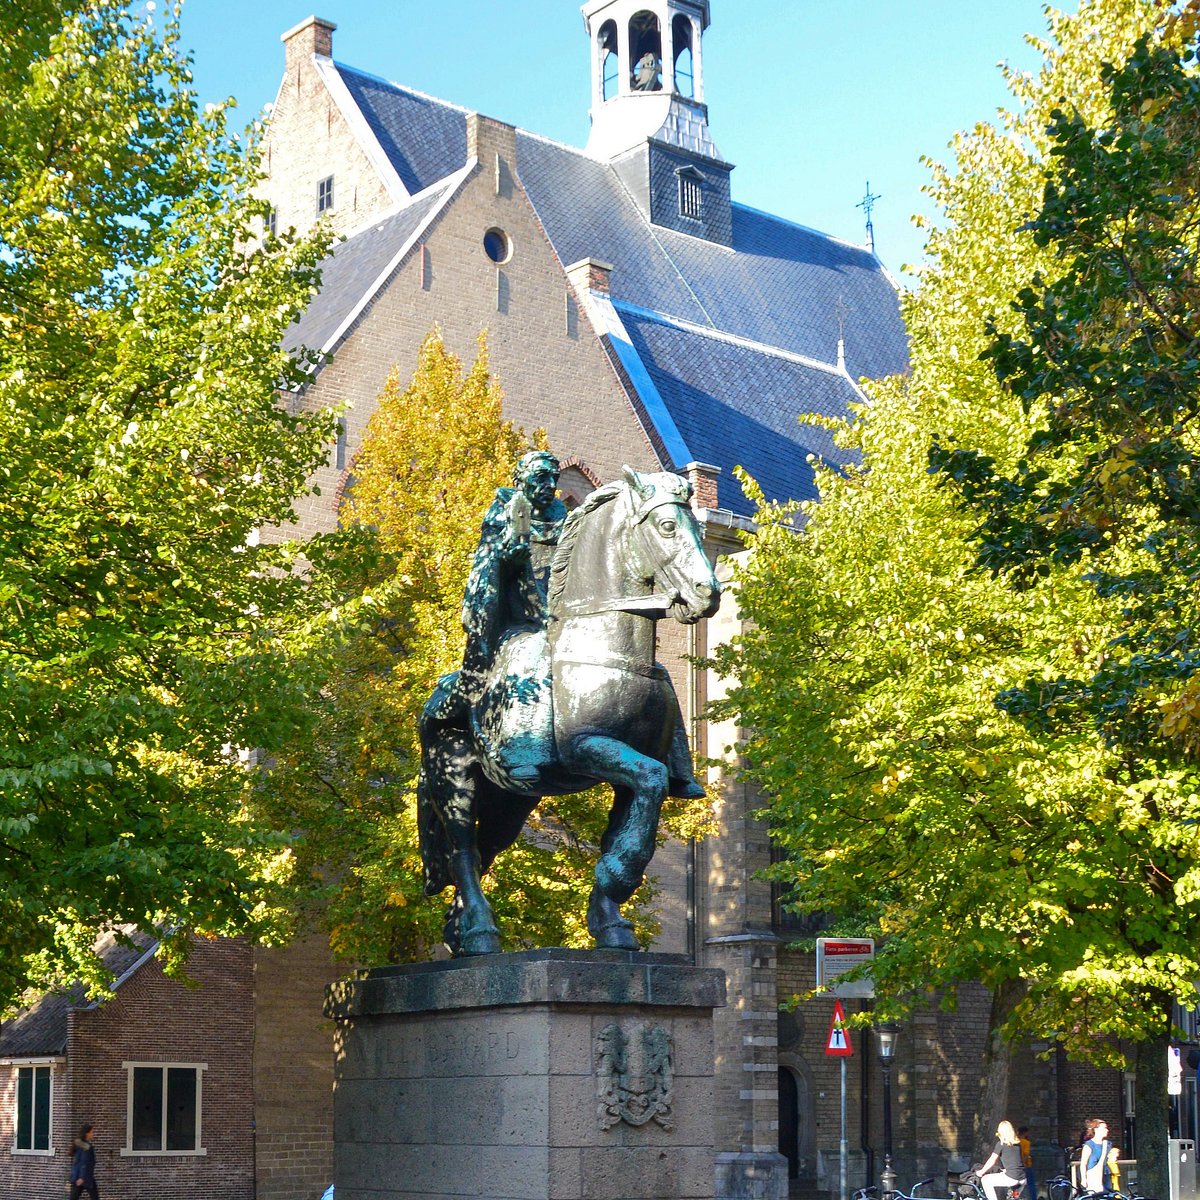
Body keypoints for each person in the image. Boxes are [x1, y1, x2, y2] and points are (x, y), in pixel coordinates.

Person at [428, 450, 703, 796]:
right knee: (532, 651)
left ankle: (678, 766)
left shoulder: (564, 516)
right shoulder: (506, 511)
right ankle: (525, 747)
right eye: (539, 477)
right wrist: (506, 558)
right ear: (521, 480)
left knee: (652, 670)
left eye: (552, 478)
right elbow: (486, 567)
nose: (548, 485)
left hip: (564, 609)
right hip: (519, 616)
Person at [978, 1120, 1025, 1200]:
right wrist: (1007, 1170)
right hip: (1022, 1178)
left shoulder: (1001, 1144)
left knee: (985, 1180)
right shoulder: (1018, 1144)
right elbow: (1018, 1162)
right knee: (1013, 1196)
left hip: (1012, 1178)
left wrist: (981, 1172)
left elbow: (992, 1160)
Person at [1078, 1119, 1114, 1193]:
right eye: (1104, 1128)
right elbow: (1083, 1164)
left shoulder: (1107, 1144)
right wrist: (1084, 1179)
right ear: (1096, 1129)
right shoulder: (1089, 1145)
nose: (1107, 1130)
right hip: (1094, 1177)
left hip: (1106, 1176)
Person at [70, 1122, 98, 1200]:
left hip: (79, 1176)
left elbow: (76, 1162)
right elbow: (84, 1162)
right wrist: (82, 1177)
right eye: (92, 1132)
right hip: (85, 1177)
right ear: (87, 1133)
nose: (93, 1134)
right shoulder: (86, 1147)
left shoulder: (78, 1145)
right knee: (95, 1197)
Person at [1018, 1125, 1037, 1200]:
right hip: (1026, 1165)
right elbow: (1026, 1154)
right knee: (1031, 1184)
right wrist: (1024, 1164)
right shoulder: (1026, 1142)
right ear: (1025, 1133)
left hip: (1017, 1165)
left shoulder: (1016, 1142)